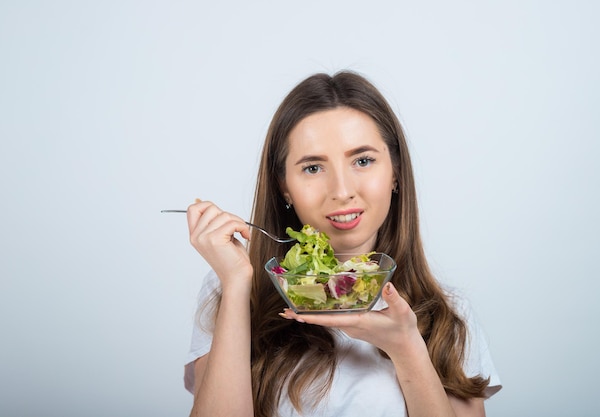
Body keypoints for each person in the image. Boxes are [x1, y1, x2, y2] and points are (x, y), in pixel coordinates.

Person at [183, 71, 501, 417]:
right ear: (284, 186)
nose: (341, 190)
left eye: (363, 161)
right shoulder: (231, 288)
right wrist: (235, 286)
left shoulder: (447, 314)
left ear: (395, 171)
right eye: (313, 168)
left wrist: (407, 349)